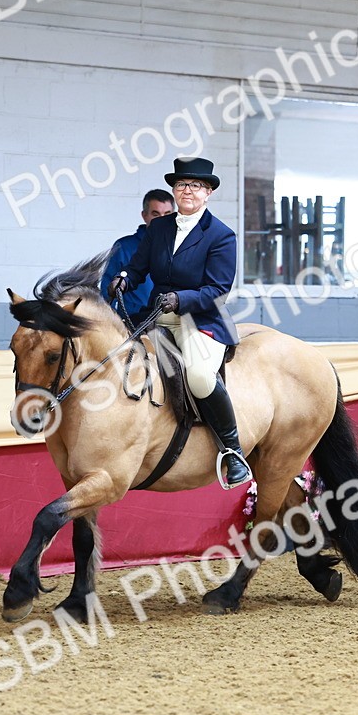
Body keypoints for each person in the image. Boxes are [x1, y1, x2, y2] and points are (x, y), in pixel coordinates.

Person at [108, 157, 251, 490]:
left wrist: (181, 299)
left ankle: (232, 451)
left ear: (208, 193)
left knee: (199, 376)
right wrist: (125, 278)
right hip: (157, 314)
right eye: (182, 185)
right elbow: (138, 266)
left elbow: (217, 291)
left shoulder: (221, 235)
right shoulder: (159, 228)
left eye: (196, 186)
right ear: (174, 190)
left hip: (200, 318)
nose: (188, 191)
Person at [100, 189, 173, 326]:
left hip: (171, 321)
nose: (162, 219)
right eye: (155, 214)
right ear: (144, 215)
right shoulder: (124, 247)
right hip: (133, 323)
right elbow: (107, 292)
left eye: (167, 214)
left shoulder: (181, 246)